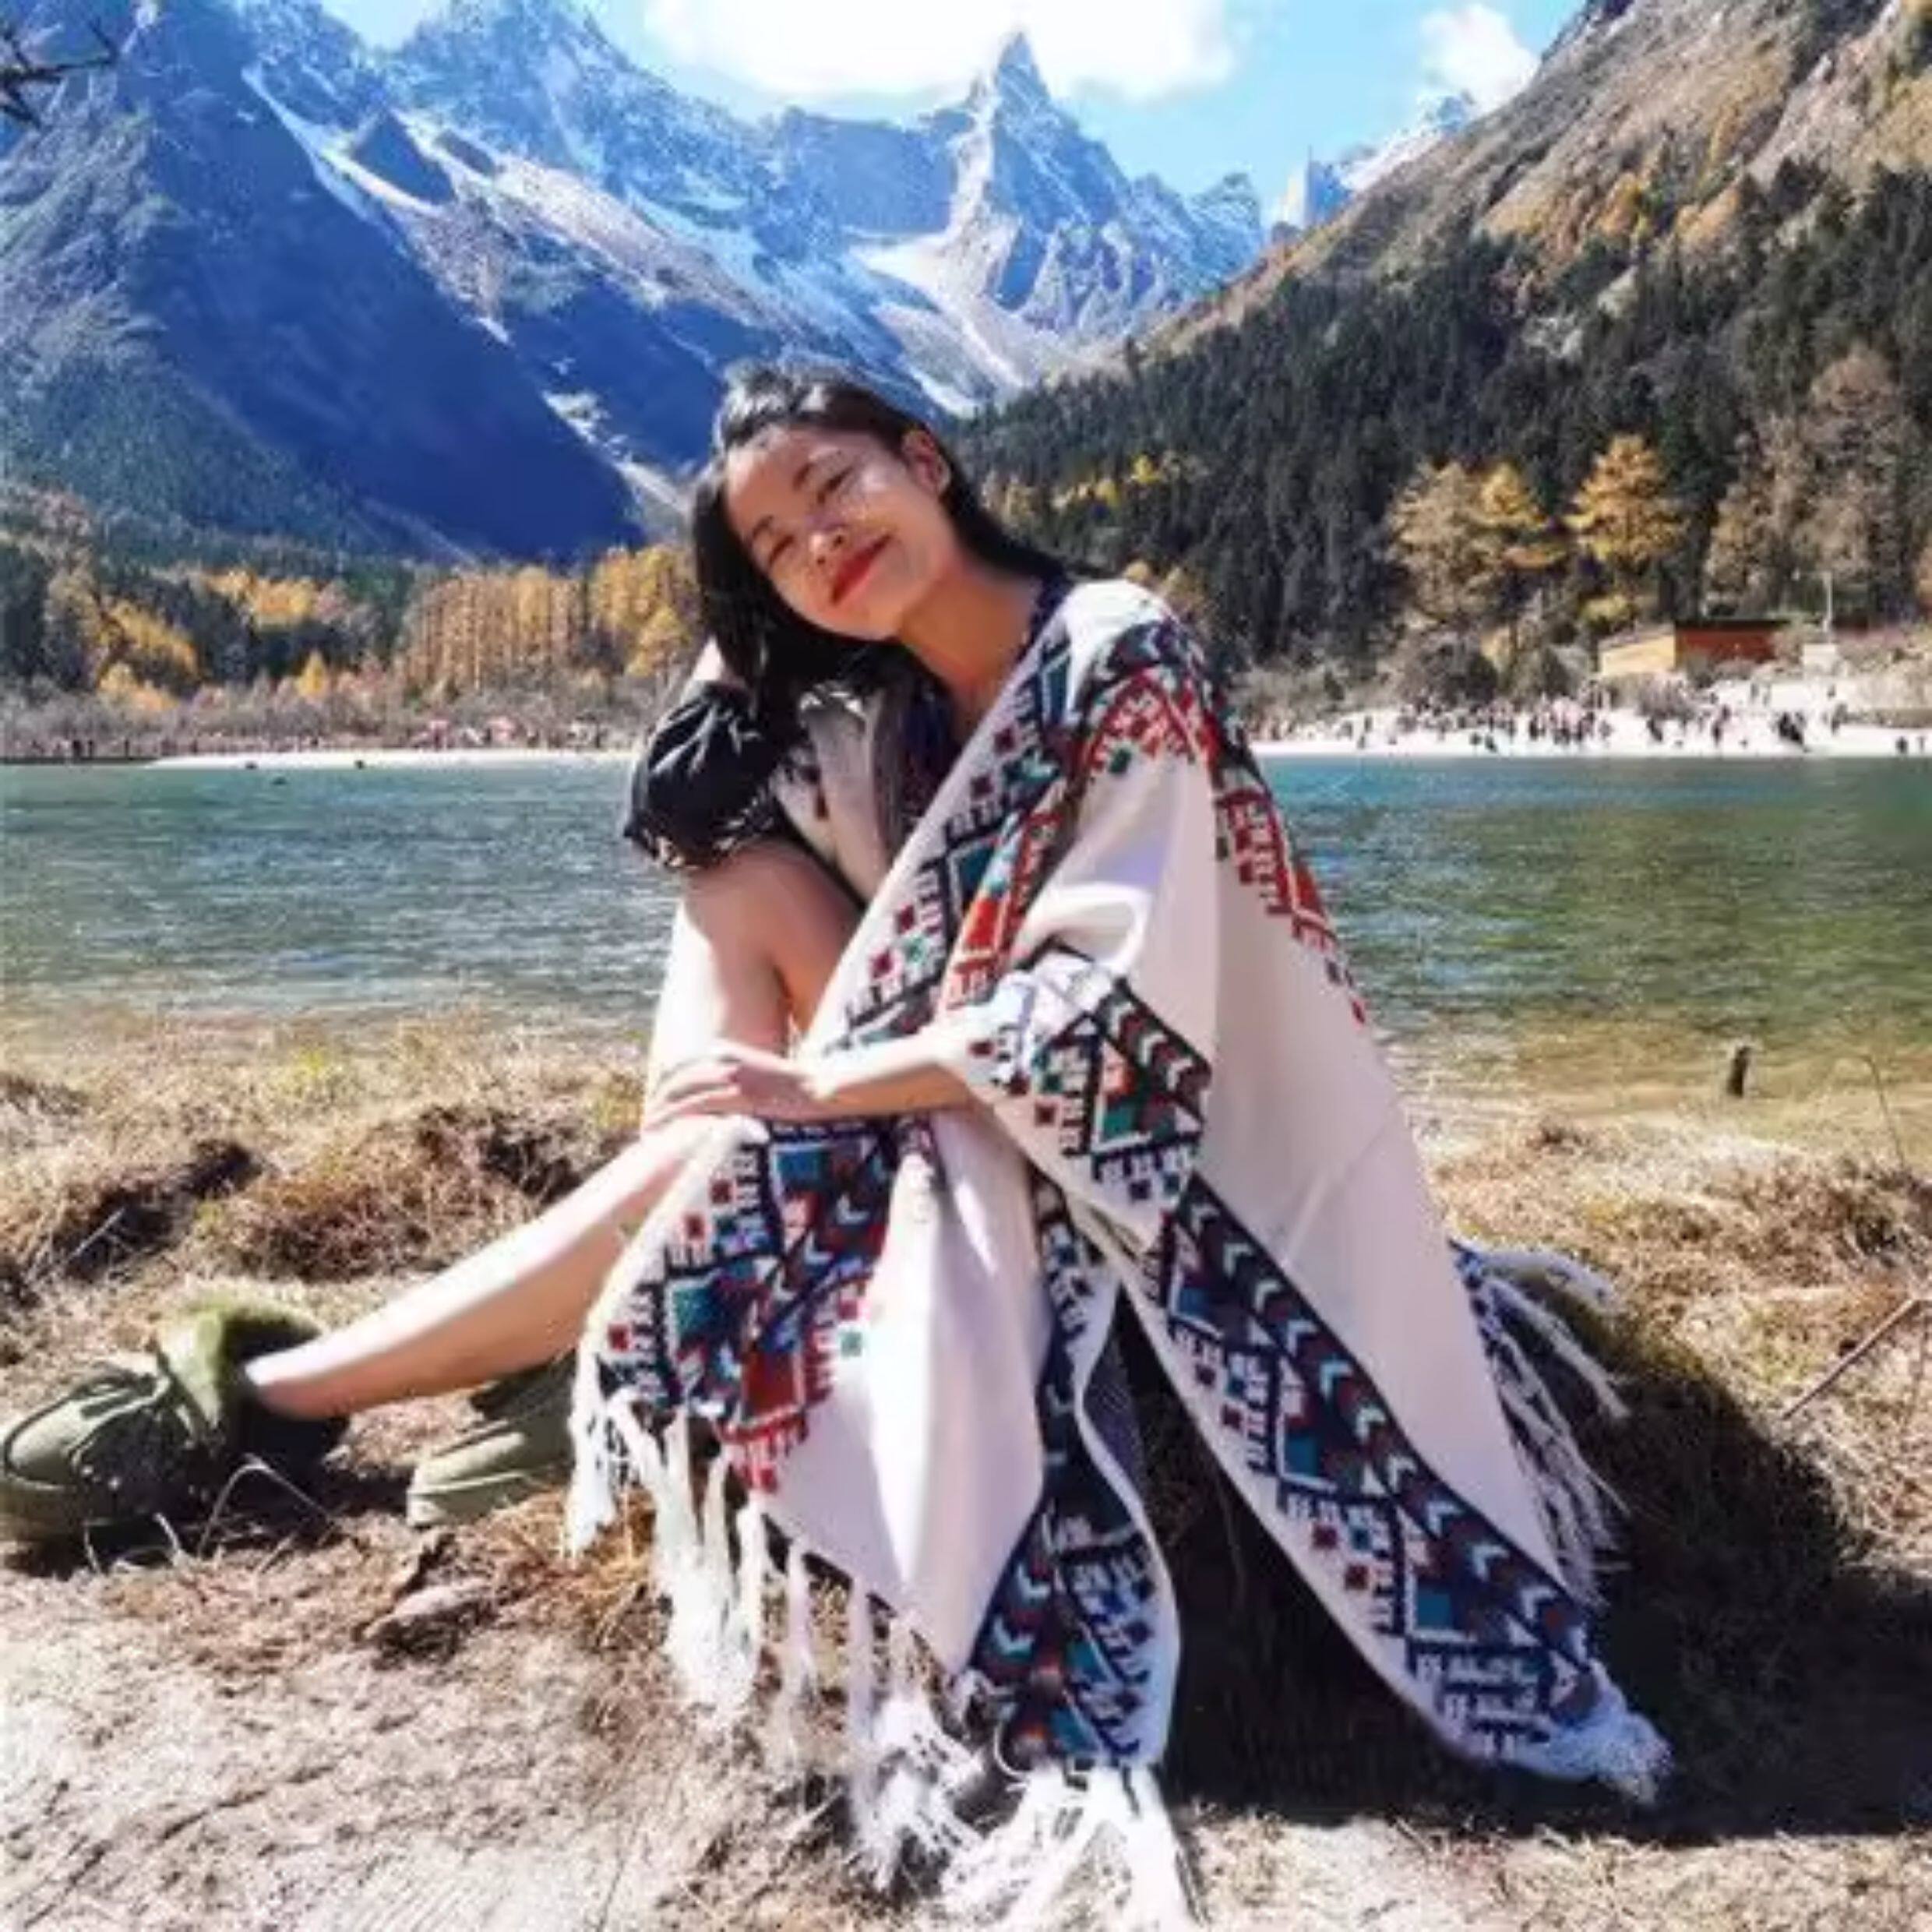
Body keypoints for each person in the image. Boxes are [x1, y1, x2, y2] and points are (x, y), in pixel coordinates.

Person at [3, 368, 1664, 1884]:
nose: (821, 542)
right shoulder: (879, 702)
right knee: (725, 871)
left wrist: (819, 1088)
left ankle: (278, 1393)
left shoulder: (1117, 650)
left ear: (926, 460)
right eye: (775, 545)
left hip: (1159, 1167)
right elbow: (691, 812)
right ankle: (576, 1318)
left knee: (737, 1136)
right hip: (962, 1100)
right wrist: (746, 652)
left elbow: (1110, 1023)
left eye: (836, 485)